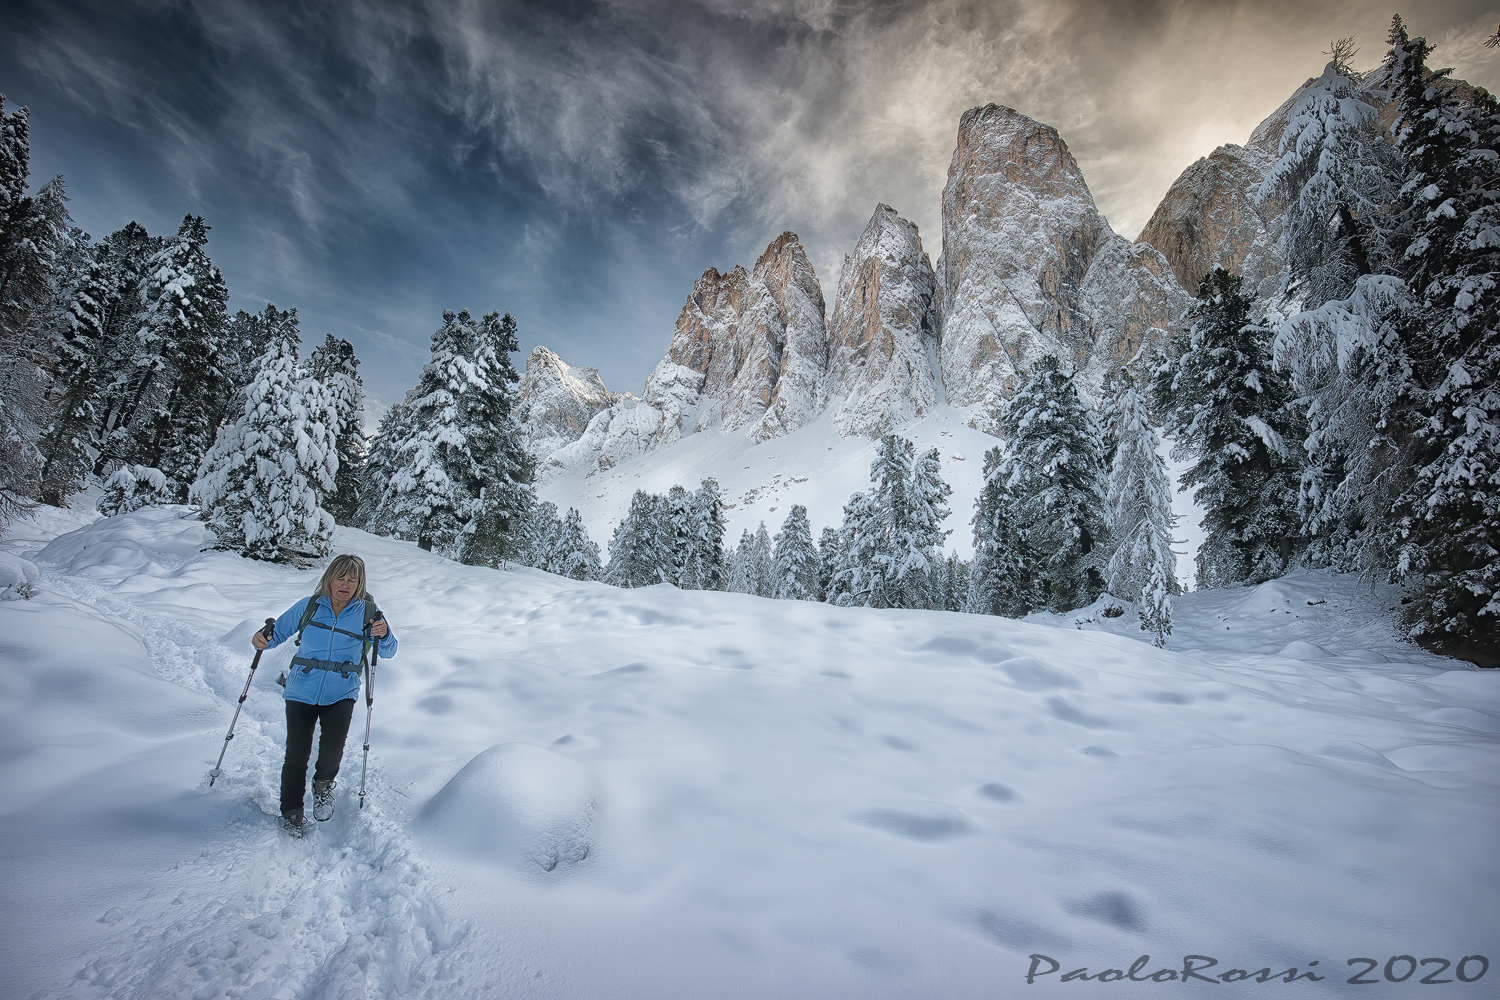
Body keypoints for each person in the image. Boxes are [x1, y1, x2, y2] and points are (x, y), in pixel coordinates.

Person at [253, 553, 395, 834]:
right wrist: (262, 638)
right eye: (340, 577)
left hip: (341, 691)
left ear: (359, 584)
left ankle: (323, 786)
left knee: (332, 751)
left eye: (352, 580)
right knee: (296, 754)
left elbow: (389, 650)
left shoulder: (368, 613)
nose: (345, 584)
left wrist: (385, 633)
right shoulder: (309, 606)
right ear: (329, 578)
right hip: (301, 689)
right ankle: (291, 812)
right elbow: (277, 634)